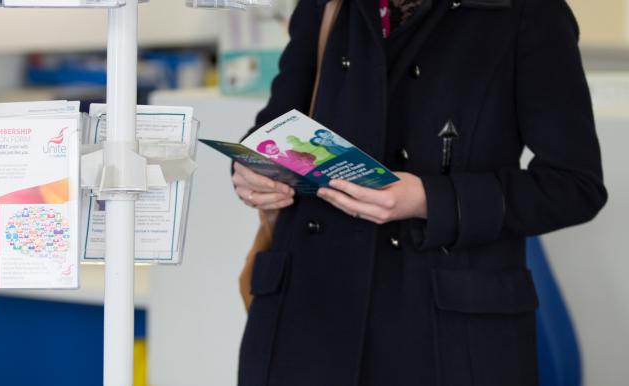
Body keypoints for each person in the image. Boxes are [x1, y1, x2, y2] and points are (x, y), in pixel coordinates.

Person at [230, 0, 607, 385]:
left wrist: (429, 198)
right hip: (307, 320)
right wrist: (251, 170)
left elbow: (574, 186)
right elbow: (274, 128)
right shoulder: (328, 5)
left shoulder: (529, 12)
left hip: (446, 334)